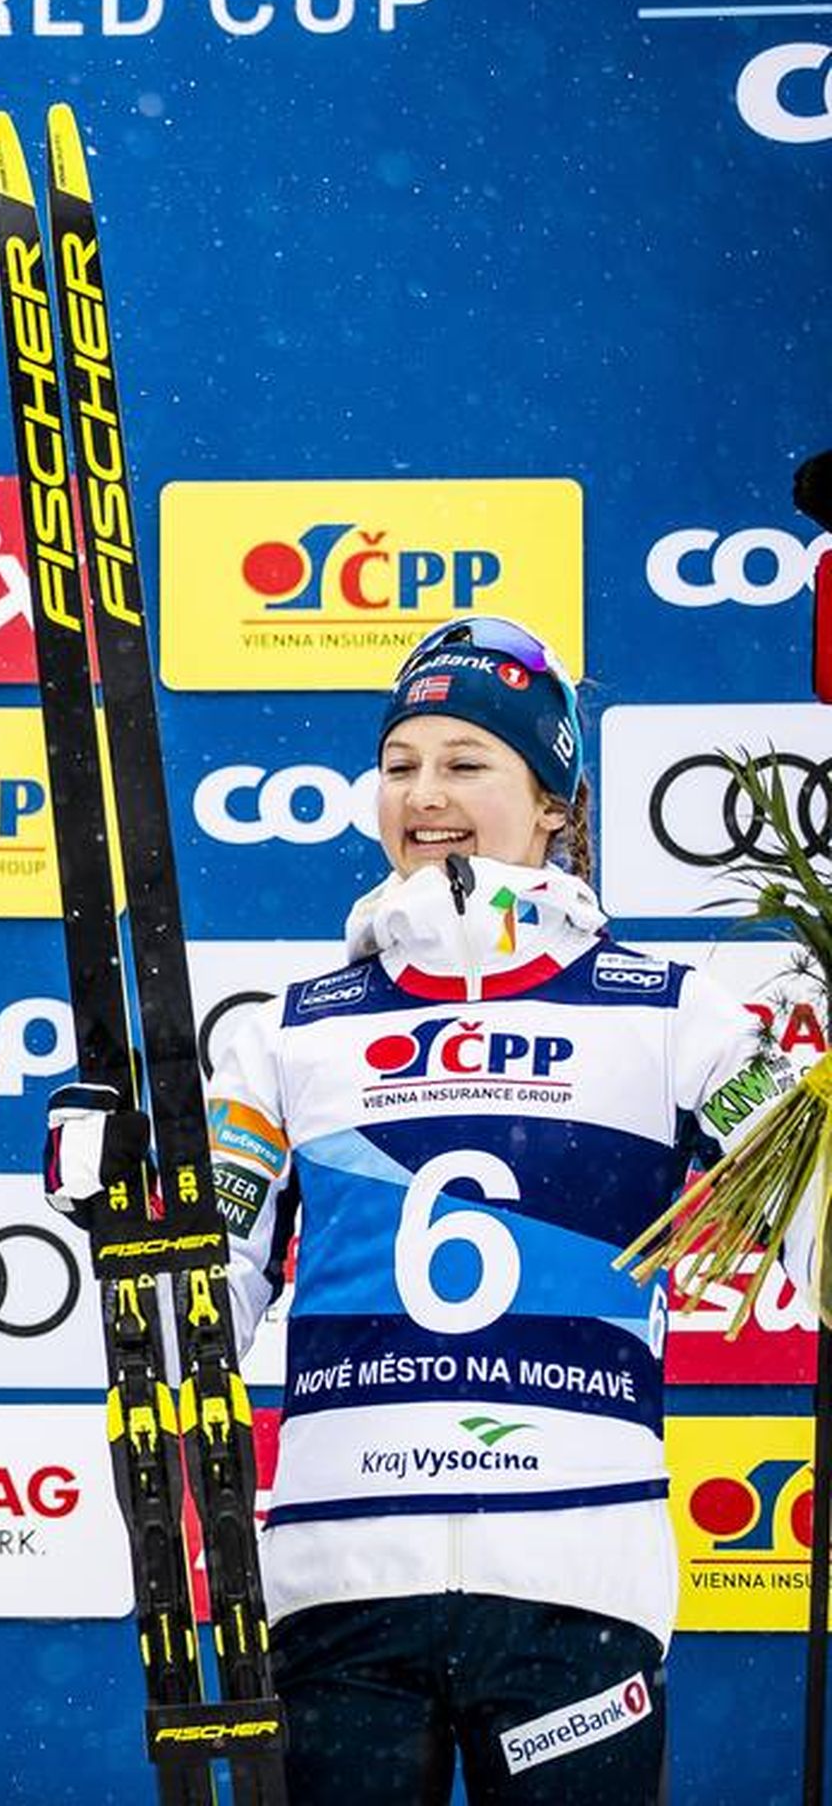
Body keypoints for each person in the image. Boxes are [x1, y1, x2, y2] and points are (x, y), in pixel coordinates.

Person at [49, 615, 793, 1803]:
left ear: (556, 801)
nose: (425, 795)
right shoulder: (285, 1029)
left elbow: (809, 1222)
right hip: (341, 1591)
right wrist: (123, 1217)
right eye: (401, 764)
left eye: (466, 762)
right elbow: (200, 1317)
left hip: (576, 1589)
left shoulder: (678, 1018)